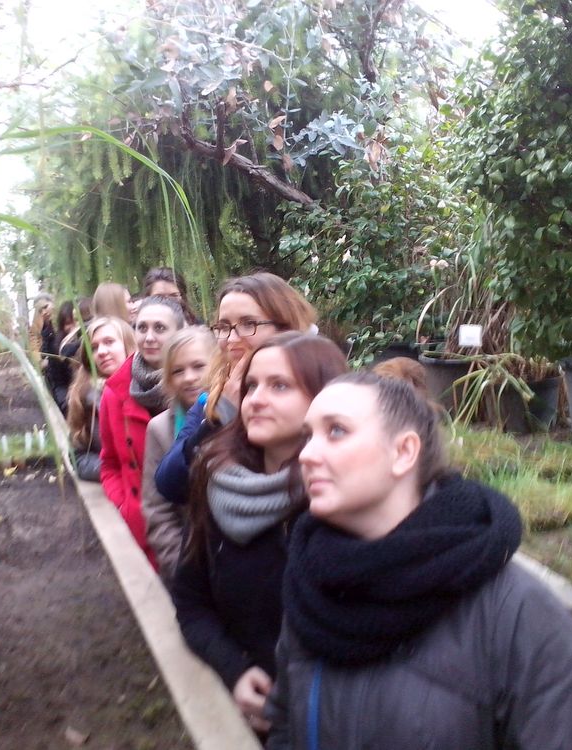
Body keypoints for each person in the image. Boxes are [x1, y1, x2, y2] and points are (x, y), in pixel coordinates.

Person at [266, 372, 572, 749]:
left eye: (336, 431)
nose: (307, 454)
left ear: (403, 452)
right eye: (308, 436)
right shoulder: (315, 582)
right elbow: (285, 726)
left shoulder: (517, 611)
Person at [171, 333, 348, 736]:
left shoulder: (340, 503)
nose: (256, 399)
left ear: (323, 398)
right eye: (251, 386)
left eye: (279, 386)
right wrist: (234, 669)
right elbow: (190, 599)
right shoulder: (217, 480)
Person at [155, 272, 316, 506]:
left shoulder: (315, 392)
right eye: (223, 327)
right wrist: (221, 417)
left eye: (248, 324)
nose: (231, 339)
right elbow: (169, 483)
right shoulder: (213, 398)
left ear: (286, 327)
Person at [99, 295, 187, 565]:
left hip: (191, 531)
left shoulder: (198, 387)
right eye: (141, 327)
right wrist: (125, 506)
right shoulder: (114, 393)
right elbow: (109, 463)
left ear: (179, 332)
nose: (149, 337)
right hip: (142, 533)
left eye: (159, 328)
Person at [141, 326, 217, 580]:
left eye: (199, 366)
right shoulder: (160, 429)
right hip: (189, 565)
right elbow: (158, 511)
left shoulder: (237, 416)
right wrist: (181, 570)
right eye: (178, 371)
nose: (189, 377)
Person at [66, 317, 135, 481]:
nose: (101, 352)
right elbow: (78, 457)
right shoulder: (84, 397)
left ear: (128, 344)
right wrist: (114, 471)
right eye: (94, 348)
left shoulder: (150, 390)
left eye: (109, 342)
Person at [41, 300, 77, 414]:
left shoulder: (90, 341)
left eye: (76, 321)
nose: (73, 328)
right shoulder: (58, 346)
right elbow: (58, 382)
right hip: (64, 388)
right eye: (68, 323)